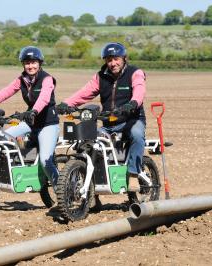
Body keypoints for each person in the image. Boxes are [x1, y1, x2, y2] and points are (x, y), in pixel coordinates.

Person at [56, 42, 146, 192]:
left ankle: (133, 174)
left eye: (116, 59)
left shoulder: (135, 72)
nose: (113, 63)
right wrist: (65, 103)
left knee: (137, 135)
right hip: (109, 123)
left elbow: (139, 90)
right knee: (88, 142)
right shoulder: (100, 76)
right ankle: (92, 190)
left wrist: (132, 103)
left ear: (124, 58)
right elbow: (84, 93)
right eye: (109, 60)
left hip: (132, 119)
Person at [0, 46, 60, 189]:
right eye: (27, 63)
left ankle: (61, 190)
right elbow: (5, 92)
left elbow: (44, 98)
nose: (30, 66)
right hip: (30, 123)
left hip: (48, 124)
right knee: (2, 138)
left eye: (33, 62)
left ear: (39, 63)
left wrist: (34, 111)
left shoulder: (47, 79)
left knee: (45, 160)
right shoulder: (22, 80)